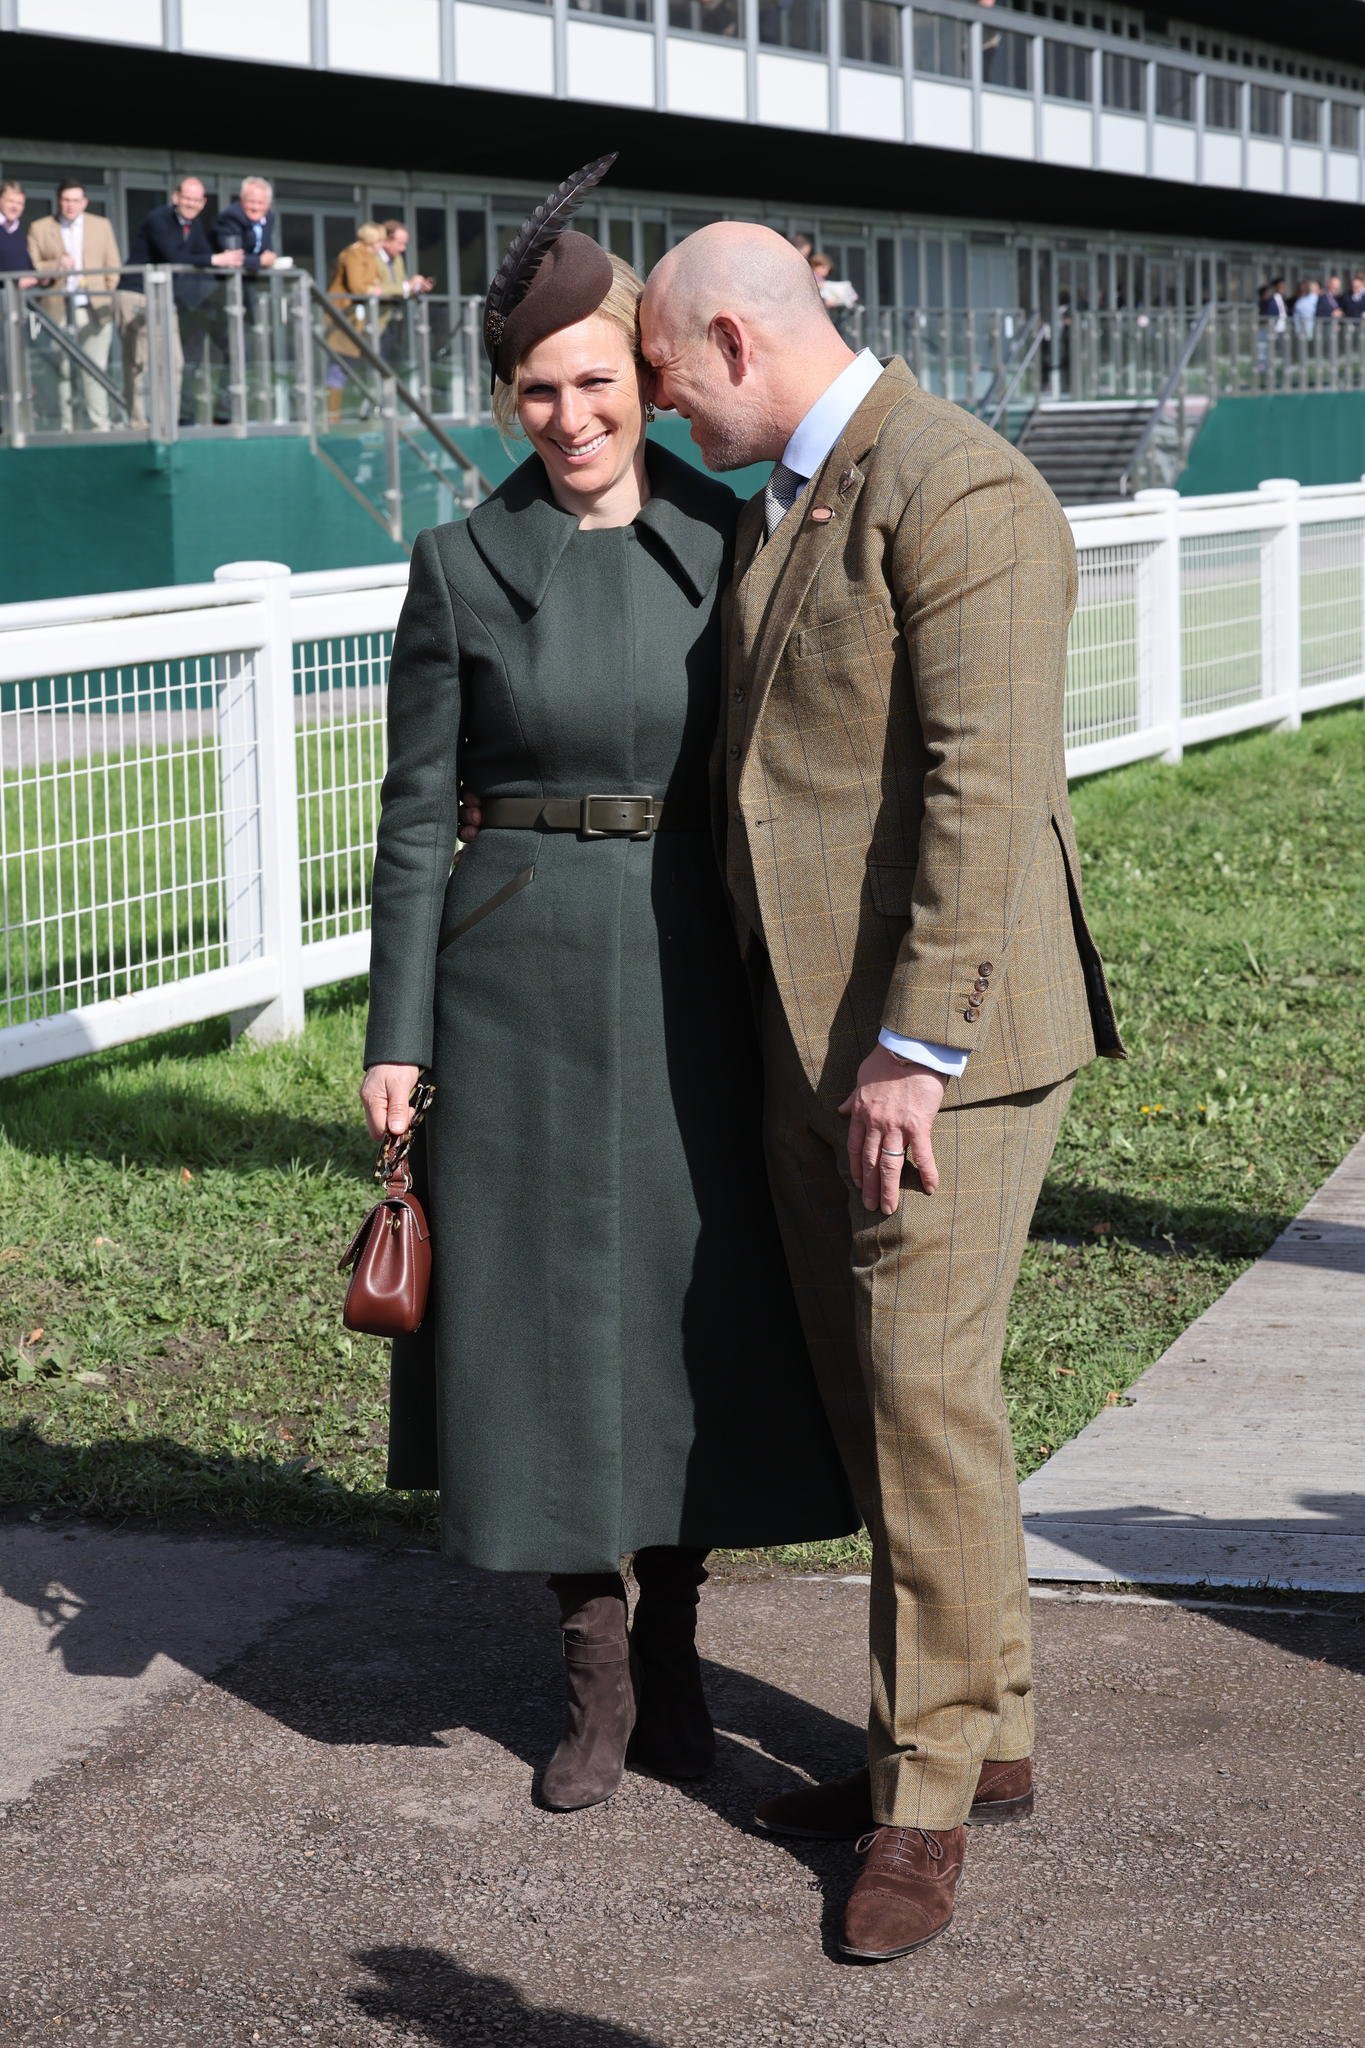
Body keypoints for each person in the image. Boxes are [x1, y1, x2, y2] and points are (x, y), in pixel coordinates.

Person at [638, 225, 1123, 1961]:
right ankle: (982, 1733)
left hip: (942, 1052)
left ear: (732, 337)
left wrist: (914, 1049)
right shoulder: (801, 481)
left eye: (662, 373)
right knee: (909, 1407)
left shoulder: (958, 489)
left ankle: (917, 1807)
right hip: (820, 1037)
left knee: (919, 1398)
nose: (656, 406)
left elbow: (982, 795)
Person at [358, 162, 857, 1816]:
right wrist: (397, 1040)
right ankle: (586, 1661)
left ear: (646, 378)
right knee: (539, 1325)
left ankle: (678, 1648)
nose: (571, 415)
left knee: (685, 1314)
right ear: (505, 401)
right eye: (537, 390)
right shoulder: (457, 566)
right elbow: (415, 818)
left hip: (696, 972)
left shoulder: (729, 542)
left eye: (596, 380)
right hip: (510, 983)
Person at [121, 175, 244, 427]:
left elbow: (202, 255)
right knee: (140, 363)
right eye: (186, 197)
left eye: (196, 199)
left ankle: (169, 422)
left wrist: (222, 260)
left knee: (174, 362)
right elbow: (174, 256)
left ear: (203, 202)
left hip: (164, 298)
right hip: (136, 294)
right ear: (175, 197)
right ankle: (138, 423)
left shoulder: (194, 224)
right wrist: (215, 260)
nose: (190, 203)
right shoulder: (159, 219)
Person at [26, 180, 123, 431]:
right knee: (63, 370)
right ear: (59, 201)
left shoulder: (100, 226)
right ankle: (67, 426)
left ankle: (98, 424)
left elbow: (113, 266)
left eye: (76, 200)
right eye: (66, 200)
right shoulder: (40, 227)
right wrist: (56, 264)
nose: (71, 205)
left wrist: (104, 293)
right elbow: (33, 267)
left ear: (85, 202)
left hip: (94, 308)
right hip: (58, 307)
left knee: (95, 369)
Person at [323, 222, 387, 422]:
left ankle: (366, 409)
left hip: (356, 318)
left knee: (355, 365)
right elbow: (357, 285)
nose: (381, 245)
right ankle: (332, 415)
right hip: (344, 316)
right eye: (379, 240)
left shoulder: (370, 256)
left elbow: (374, 281)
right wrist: (372, 288)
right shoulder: (354, 254)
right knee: (339, 367)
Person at [376, 219, 434, 371]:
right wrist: (408, 285)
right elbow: (377, 289)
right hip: (377, 321)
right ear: (386, 240)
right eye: (400, 243)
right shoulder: (373, 258)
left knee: (391, 367)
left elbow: (401, 289)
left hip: (395, 321)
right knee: (378, 366)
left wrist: (416, 289)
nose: (402, 248)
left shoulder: (397, 260)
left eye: (405, 244)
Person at [213, 176, 278, 272]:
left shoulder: (269, 218)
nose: (255, 207)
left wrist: (270, 257)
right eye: (251, 201)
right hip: (223, 279)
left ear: (268, 204)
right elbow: (231, 258)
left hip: (252, 276)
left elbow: (266, 249)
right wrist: (260, 260)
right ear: (242, 200)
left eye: (260, 203)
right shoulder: (230, 217)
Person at [0, 180, 36, 284]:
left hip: (18, 298)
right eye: (11, 201)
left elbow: (28, 268)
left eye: (19, 203)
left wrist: (44, 279)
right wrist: (15, 281)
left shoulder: (19, 233)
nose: (15, 207)